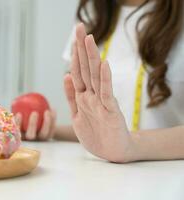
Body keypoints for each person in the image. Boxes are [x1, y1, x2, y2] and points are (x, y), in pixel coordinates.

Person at [16, 0, 184, 163]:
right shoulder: (93, 16)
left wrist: (132, 145)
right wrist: (49, 132)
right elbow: (106, 135)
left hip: (166, 181)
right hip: (101, 179)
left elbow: (121, 142)